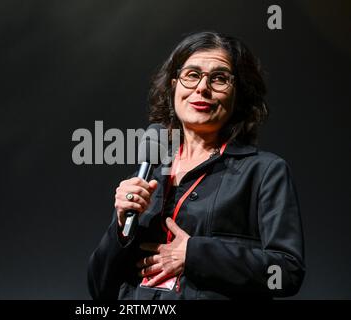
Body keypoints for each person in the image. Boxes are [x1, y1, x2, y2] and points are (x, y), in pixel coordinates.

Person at [87, 31, 305, 299]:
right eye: (192, 75)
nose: (202, 88)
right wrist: (120, 229)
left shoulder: (264, 172)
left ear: (240, 95)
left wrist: (195, 253)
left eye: (219, 78)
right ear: (174, 85)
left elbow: (286, 273)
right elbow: (99, 288)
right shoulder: (147, 175)